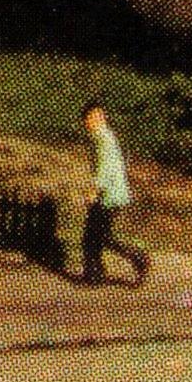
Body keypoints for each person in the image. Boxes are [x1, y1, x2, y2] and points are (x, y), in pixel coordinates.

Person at [77, 101, 151, 286]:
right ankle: (94, 275)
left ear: (102, 118)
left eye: (98, 117)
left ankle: (138, 258)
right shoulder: (101, 137)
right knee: (94, 236)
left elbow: (105, 168)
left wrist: (94, 191)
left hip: (109, 195)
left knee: (97, 236)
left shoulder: (103, 138)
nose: (94, 121)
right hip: (112, 193)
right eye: (91, 117)